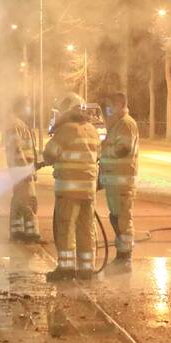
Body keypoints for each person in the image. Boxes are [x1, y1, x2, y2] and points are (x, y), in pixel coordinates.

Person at [42, 93, 101, 281]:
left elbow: (49, 154)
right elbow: (97, 155)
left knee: (66, 227)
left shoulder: (66, 130)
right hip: (88, 190)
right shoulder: (91, 130)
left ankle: (66, 269)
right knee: (86, 228)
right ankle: (86, 268)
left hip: (69, 189)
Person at [99, 92, 139, 271]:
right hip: (114, 181)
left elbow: (123, 149)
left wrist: (105, 150)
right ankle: (121, 255)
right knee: (116, 218)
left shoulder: (126, 124)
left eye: (111, 106)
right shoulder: (117, 124)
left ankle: (125, 257)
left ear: (120, 104)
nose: (109, 109)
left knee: (122, 219)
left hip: (122, 182)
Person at [5, 97, 39, 242]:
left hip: (21, 169)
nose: (29, 110)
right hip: (22, 169)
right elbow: (17, 150)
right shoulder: (16, 125)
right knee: (29, 199)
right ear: (19, 108)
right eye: (27, 106)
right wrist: (26, 170)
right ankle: (32, 233)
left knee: (19, 199)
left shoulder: (20, 125)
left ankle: (17, 231)